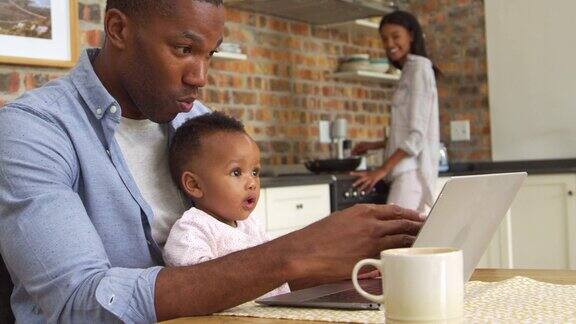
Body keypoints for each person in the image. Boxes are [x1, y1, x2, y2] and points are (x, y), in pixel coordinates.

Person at [0, 1, 424, 322]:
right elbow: (77, 301)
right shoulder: (33, 131)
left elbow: (240, 261)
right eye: (184, 48)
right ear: (118, 29)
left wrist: (333, 266)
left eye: (210, 54)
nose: (200, 77)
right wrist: (295, 253)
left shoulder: (197, 123)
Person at [162, 111, 290, 298]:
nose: (252, 182)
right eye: (236, 173)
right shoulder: (192, 230)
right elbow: (196, 284)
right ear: (194, 185)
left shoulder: (252, 225)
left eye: (255, 172)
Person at [351, 10, 440, 213]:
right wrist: (375, 144)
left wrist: (381, 170)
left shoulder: (420, 69)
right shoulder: (408, 71)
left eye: (395, 36)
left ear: (411, 35)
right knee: (406, 239)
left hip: (411, 173)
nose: (389, 43)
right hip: (406, 172)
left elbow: (416, 137)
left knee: (394, 238)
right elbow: (409, 131)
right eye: (384, 38)